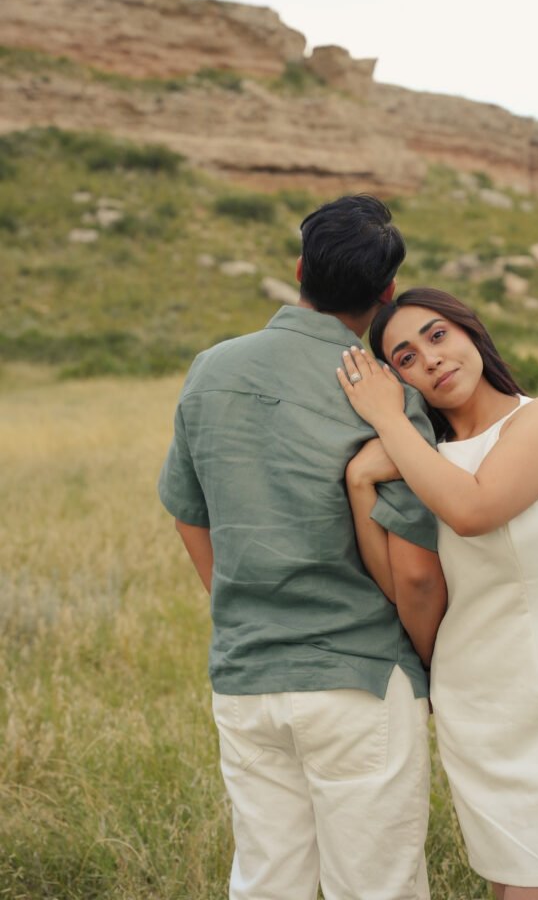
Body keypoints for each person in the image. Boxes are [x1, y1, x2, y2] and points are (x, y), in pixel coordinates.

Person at [158, 197, 447, 900]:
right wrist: (432, 666)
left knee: (267, 881)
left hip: (248, 677)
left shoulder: (210, 369)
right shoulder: (387, 397)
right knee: (376, 888)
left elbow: (188, 515)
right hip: (360, 678)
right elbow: (413, 574)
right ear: (385, 294)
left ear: (298, 270)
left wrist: (247, 612)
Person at [336, 286, 538, 900]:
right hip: (475, 708)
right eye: (406, 358)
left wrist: (388, 421)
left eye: (437, 335)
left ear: (471, 331)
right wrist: (360, 483)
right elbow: (404, 585)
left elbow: (474, 510)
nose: (431, 359)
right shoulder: (426, 457)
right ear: (400, 379)